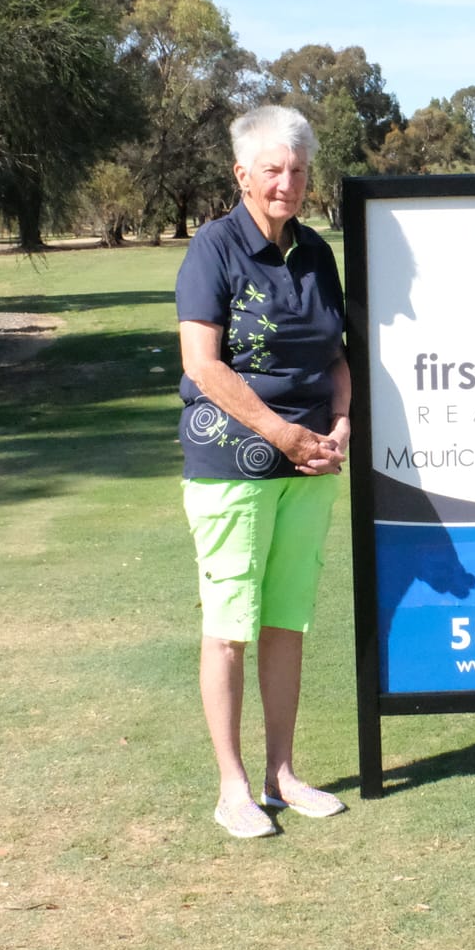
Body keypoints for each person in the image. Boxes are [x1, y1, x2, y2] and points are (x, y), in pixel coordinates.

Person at [175, 105, 351, 838]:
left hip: (309, 461)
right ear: (242, 174)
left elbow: (335, 354)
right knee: (229, 627)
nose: (287, 183)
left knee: (286, 620)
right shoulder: (212, 249)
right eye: (273, 169)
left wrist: (340, 422)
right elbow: (202, 364)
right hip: (233, 462)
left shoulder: (316, 251)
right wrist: (281, 431)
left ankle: (281, 774)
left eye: (299, 170)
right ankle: (232, 786)